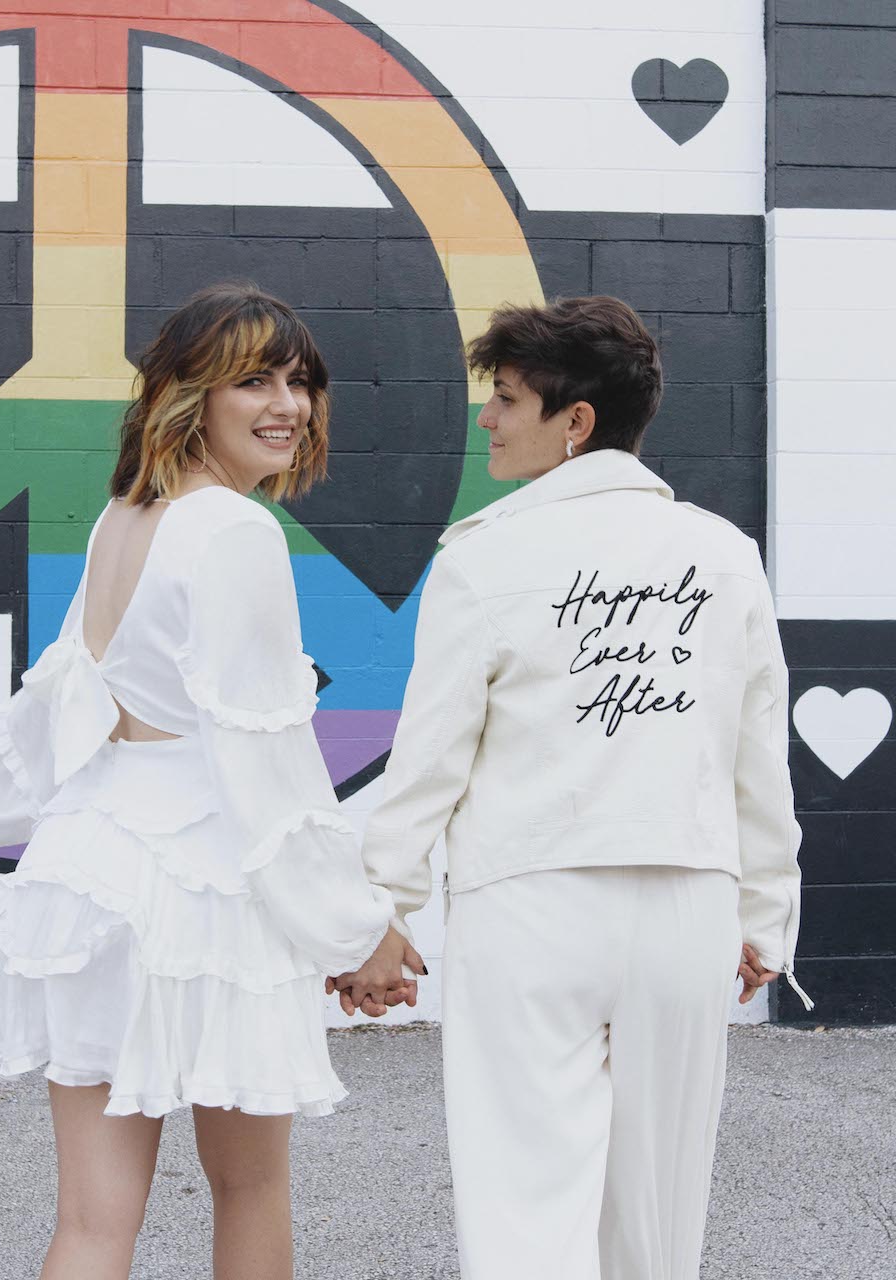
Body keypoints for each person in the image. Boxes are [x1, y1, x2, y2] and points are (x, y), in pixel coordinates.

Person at [331, 296, 813, 1280]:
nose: (488, 419)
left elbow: (430, 763)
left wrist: (380, 914)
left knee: (525, 1210)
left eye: (505, 399)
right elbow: (756, 754)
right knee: (656, 1220)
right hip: (686, 905)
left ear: (575, 420)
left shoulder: (485, 556)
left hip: (530, 904)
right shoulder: (725, 557)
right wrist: (764, 915)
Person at [0, 282, 424, 1280]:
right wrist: (356, 928)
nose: (288, 404)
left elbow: (69, 674)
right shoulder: (235, 531)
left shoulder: (128, 514)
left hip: (89, 866)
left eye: (301, 380)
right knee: (250, 1189)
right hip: (201, 880)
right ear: (187, 393)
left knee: (90, 1221)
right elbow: (266, 757)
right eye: (254, 379)